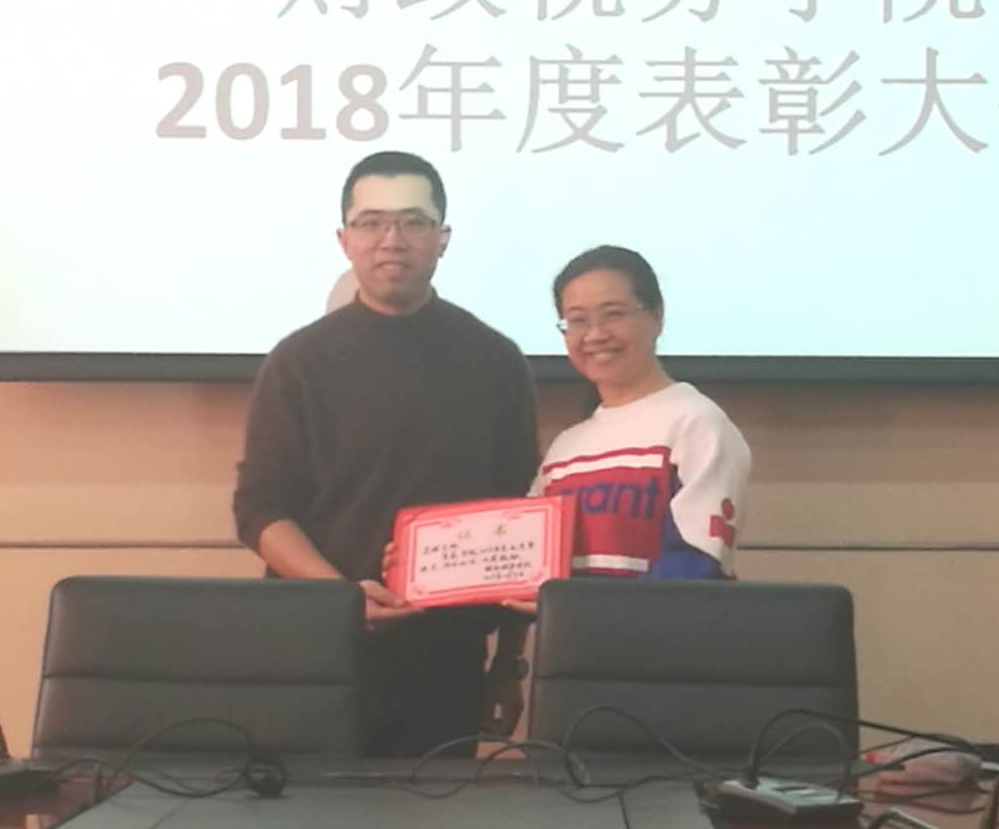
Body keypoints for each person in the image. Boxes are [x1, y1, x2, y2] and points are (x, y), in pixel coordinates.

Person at [232, 150, 538, 757]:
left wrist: (510, 662)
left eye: (413, 222)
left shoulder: (495, 360)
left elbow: (520, 517)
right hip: (316, 645)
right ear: (344, 240)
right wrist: (340, 597)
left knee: (433, 801)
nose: (391, 240)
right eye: (371, 222)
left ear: (443, 238)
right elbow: (260, 509)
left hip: (446, 657)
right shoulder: (298, 361)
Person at [529, 245, 750, 582]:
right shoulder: (564, 448)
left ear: (656, 317)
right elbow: (529, 557)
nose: (595, 334)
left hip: (659, 620)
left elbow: (695, 563)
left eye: (613, 314)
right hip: (573, 620)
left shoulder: (696, 423)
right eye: (577, 320)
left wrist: (585, 606)